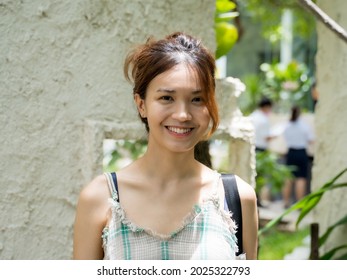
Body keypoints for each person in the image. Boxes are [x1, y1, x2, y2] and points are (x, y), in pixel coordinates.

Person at [73, 32, 258, 260]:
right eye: (167, 98)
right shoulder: (100, 197)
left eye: (197, 99)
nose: (182, 115)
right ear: (141, 105)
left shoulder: (236, 198)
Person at [282, 105, 314, 208]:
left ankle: (286, 202)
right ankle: (300, 205)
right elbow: (311, 140)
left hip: (291, 153)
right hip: (301, 153)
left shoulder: (287, 125)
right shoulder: (305, 126)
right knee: (301, 179)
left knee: (288, 178)